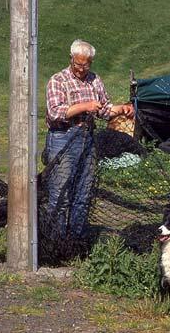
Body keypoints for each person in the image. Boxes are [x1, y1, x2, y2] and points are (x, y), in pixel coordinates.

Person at [44, 39, 134, 240]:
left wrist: (122, 109)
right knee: (60, 195)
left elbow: (104, 109)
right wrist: (85, 106)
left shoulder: (95, 80)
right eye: (78, 64)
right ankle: (55, 241)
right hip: (62, 139)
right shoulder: (58, 81)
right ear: (71, 59)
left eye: (85, 65)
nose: (81, 69)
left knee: (83, 195)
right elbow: (55, 113)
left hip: (87, 139)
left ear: (91, 62)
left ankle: (76, 240)